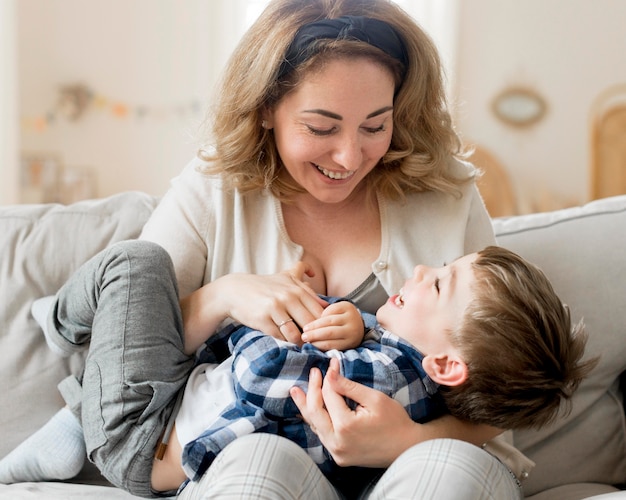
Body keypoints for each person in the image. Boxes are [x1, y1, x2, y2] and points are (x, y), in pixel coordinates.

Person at [0, 0, 562, 497]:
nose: (348, 156)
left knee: (450, 467)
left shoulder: (447, 194)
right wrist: (225, 296)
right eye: (321, 127)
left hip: (420, 462)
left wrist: (410, 437)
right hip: (248, 454)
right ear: (265, 108)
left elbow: (503, 380)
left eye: (375, 125)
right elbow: (129, 349)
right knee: (260, 459)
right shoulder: (214, 192)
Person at [0, 245, 594, 498]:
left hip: (143, 435)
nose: (416, 271)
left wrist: (271, 307)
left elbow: (261, 374)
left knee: (134, 264)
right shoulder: (409, 373)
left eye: (437, 282)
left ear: (445, 363)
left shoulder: (387, 382)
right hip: (173, 414)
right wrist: (352, 325)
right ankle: (76, 421)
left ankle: (58, 323)